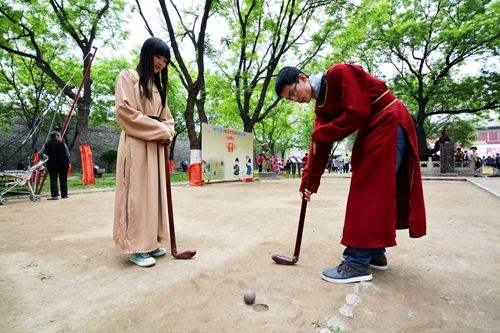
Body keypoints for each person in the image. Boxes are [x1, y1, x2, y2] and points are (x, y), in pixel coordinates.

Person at [275, 64, 426, 283]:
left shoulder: (339, 73)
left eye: (292, 93)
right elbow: (319, 145)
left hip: (388, 120)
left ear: (302, 78)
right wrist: (308, 184)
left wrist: (321, 132)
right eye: (290, 99)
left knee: (368, 190)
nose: (294, 99)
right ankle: (374, 252)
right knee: (375, 190)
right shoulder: (321, 110)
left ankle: (356, 262)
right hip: (373, 129)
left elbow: (358, 111)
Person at [113, 37, 175, 267]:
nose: (161, 63)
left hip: (155, 147)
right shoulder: (128, 76)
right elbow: (124, 112)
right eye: (159, 56)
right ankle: (134, 245)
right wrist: (160, 129)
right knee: (136, 194)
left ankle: (148, 241)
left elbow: (168, 119)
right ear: (147, 53)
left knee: (152, 195)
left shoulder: (159, 88)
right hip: (136, 144)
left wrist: (166, 131)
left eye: (166, 60)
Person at [39, 131, 70, 200]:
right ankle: (64, 195)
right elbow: (68, 155)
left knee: (53, 179)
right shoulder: (63, 144)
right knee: (63, 179)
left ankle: (54, 196)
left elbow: (41, 153)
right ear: (56, 136)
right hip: (63, 164)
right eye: (59, 136)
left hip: (52, 164)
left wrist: (46, 158)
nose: (60, 137)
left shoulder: (46, 144)